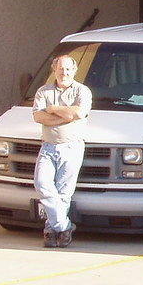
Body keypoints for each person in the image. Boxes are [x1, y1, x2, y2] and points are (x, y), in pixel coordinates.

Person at [32, 54, 92, 248]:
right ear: (54, 70)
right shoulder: (43, 91)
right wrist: (65, 116)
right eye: (60, 69)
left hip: (72, 146)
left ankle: (51, 231)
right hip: (48, 147)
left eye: (68, 69)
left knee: (63, 193)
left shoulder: (82, 91)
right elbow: (39, 117)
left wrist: (52, 109)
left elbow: (78, 113)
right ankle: (64, 225)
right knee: (42, 184)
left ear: (74, 71)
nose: (64, 72)